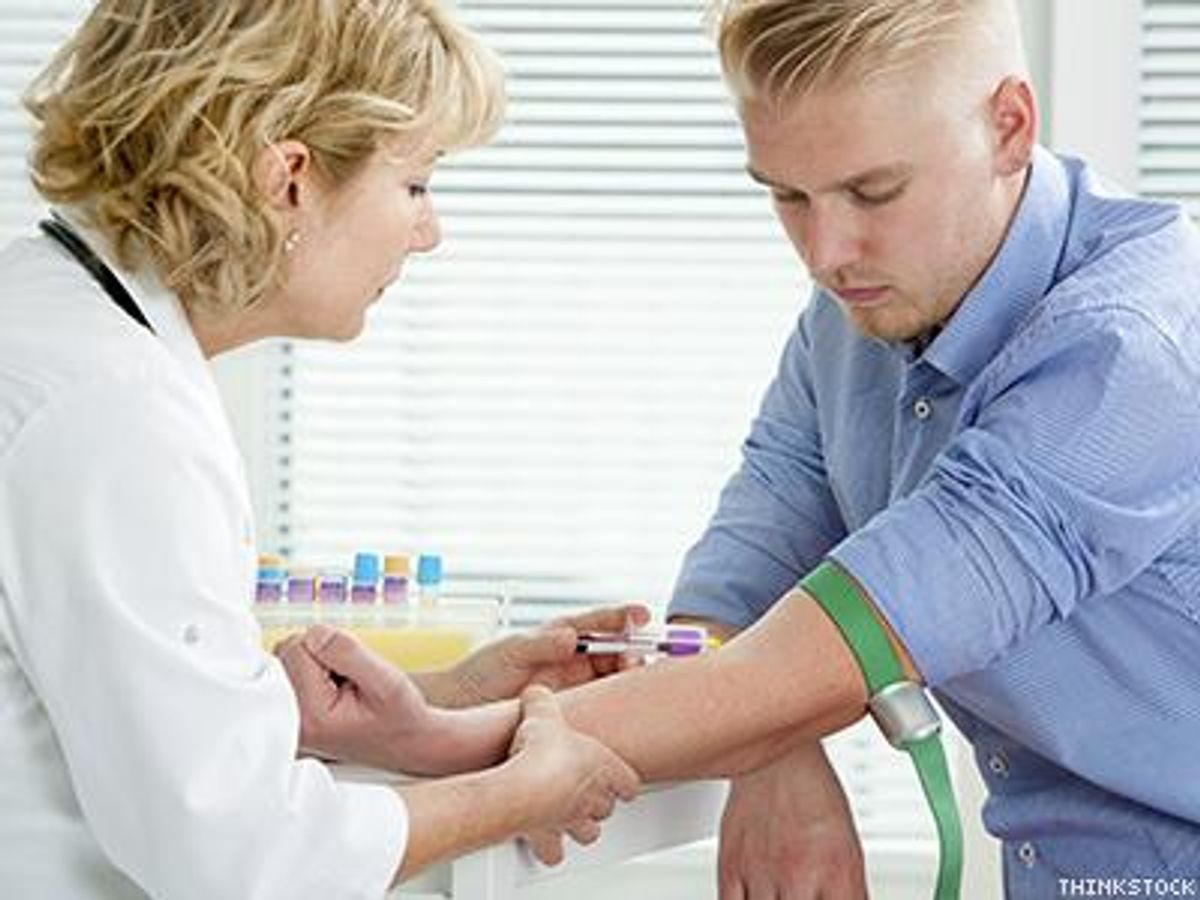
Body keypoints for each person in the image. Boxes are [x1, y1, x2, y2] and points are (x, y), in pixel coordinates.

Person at [278, 0, 1200, 896]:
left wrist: (439, 735)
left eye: (874, 192)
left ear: (1008, 127)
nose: (825, 252)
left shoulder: (1129, 350)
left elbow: (824, 655)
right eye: (787, 195)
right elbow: (738, 591)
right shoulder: (859, 313)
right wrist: (771, 753)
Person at [0, 2, 647, 898]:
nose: (429, 232)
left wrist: (440, 696)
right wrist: (518, 794)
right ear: (290, 179)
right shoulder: (115, 418)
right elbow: (239, 854)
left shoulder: (49, 316)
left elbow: (103, 714)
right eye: (416, 184)